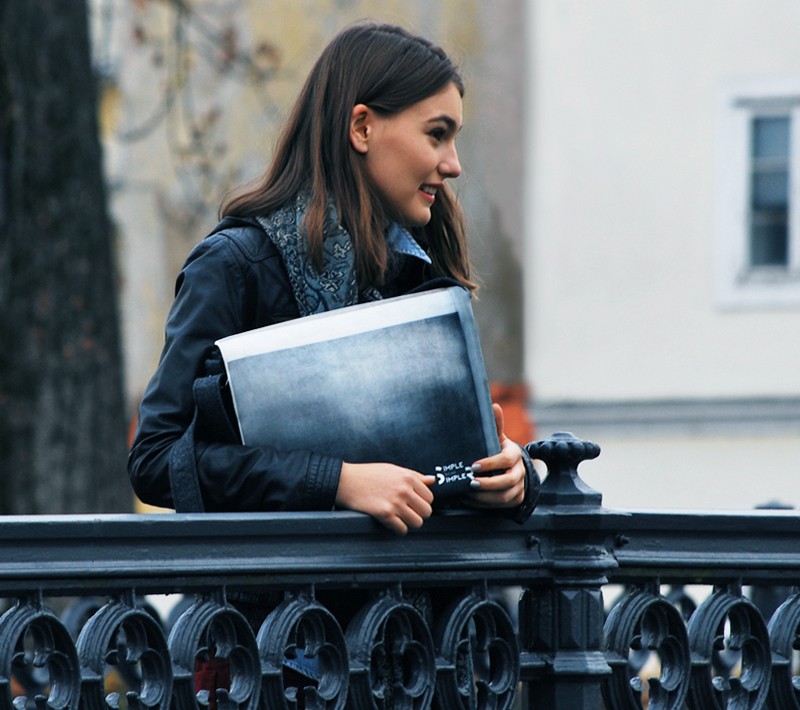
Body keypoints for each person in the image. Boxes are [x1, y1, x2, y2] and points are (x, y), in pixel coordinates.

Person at [128, 21, 540, 535]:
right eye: (437, 134)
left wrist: (512, 474)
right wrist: (338, 481)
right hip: (282, 587)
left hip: (417, 586)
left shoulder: (425, 271)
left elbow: (444, 460)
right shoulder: (234, 265)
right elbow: (156, 460)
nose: (454, 164)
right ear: (362, 128)